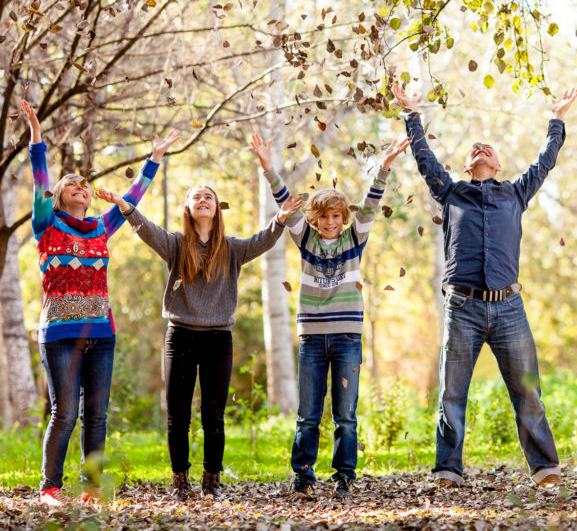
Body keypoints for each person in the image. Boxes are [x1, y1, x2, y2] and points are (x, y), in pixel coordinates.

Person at [391, 84, 577, 488]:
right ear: (466, 166)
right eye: (475, 149)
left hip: (510, 308)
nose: (482, 149)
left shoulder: (515, 193)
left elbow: (545, 162)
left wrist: (557, 120)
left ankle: (545, 468)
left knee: (528, 392)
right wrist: (412, 113)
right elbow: (425, 161)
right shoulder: (452, 193)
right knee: (451, 393)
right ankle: (447, 469)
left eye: (488, 149)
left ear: (497, 165)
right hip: (463, 308)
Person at [96, 176, 301, 501]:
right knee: (178, 414)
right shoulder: (176, 244)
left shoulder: (232, 248)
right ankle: (180, 481)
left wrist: (280, 219)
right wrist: (124, 207)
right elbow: (147, 230)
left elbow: (262, 241)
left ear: (217, 208)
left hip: (218, 339)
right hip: (180, 337)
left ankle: (211, 481)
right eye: (196, 197)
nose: (203, 199)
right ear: (188, 209)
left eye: (209, 196)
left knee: (213, 415)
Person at [20, 99, 179, 506]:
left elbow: (134, 197)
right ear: (59, 197)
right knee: (65, 414)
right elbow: (40, 181)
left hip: (101, 334)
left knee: (97, 416)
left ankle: (91, 487)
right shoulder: (46, 223)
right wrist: (37, 137)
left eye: (84, 185)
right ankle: (50, 489)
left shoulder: (100, 229)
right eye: (71, 184)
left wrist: (154, 158)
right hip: (58, 335)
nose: (80, 187)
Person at [250, 130, 410, 499]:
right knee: (307, 414)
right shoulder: (305, 240)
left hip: (347, 338)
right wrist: (266, 166)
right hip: (311, 338)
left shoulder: (354, 241)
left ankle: (344, 477)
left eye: (337, 216)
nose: (331, 222)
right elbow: (284, 202)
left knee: (345, 416)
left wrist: (384, 166)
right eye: (324, 217)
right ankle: (304, 477)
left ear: (343, 217)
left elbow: (371, 203)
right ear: (315, 218)